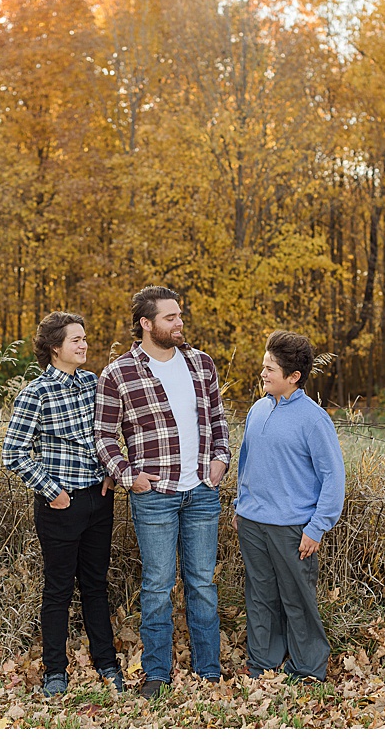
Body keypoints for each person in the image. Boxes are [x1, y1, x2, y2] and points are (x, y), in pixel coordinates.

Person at [94, 286, 230, 699]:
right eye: (170, 317)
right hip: (154, 495)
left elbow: (219, 420)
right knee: (157, 585)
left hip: (202, 492)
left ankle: (209, 670)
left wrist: (221, 459)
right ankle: (157, 674)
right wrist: (127, 474)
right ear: (146, 323)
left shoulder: (201, 363)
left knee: (203, 583)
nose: (179, 322)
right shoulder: (118, 372)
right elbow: (103, 436)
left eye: (180, 315)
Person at [2, 312, 122, 698]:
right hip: (59, 505)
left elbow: (107, 433)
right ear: (55, 348)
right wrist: (51, 491)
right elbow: (15, 452)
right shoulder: (35, 393)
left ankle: (107, 663)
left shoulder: (94, 384)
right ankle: (56, 670)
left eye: (85, 338)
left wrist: (110, 470)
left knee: (96, 586)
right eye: (76, 340)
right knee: (57, 589)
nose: (84, 345)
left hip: (99, 499)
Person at [233, 330, 345, 683]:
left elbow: (333, 478)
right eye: (263, 366)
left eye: (270, 369)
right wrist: (241, 505)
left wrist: (317, 527)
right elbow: (246, 462)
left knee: (297, 599)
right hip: (252, 523)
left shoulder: (314, 419)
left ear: (293, 377)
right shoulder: (258, 409)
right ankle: (263, 662)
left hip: (293, 528)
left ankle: (308, 668)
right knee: (261, 595)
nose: (263, 374)